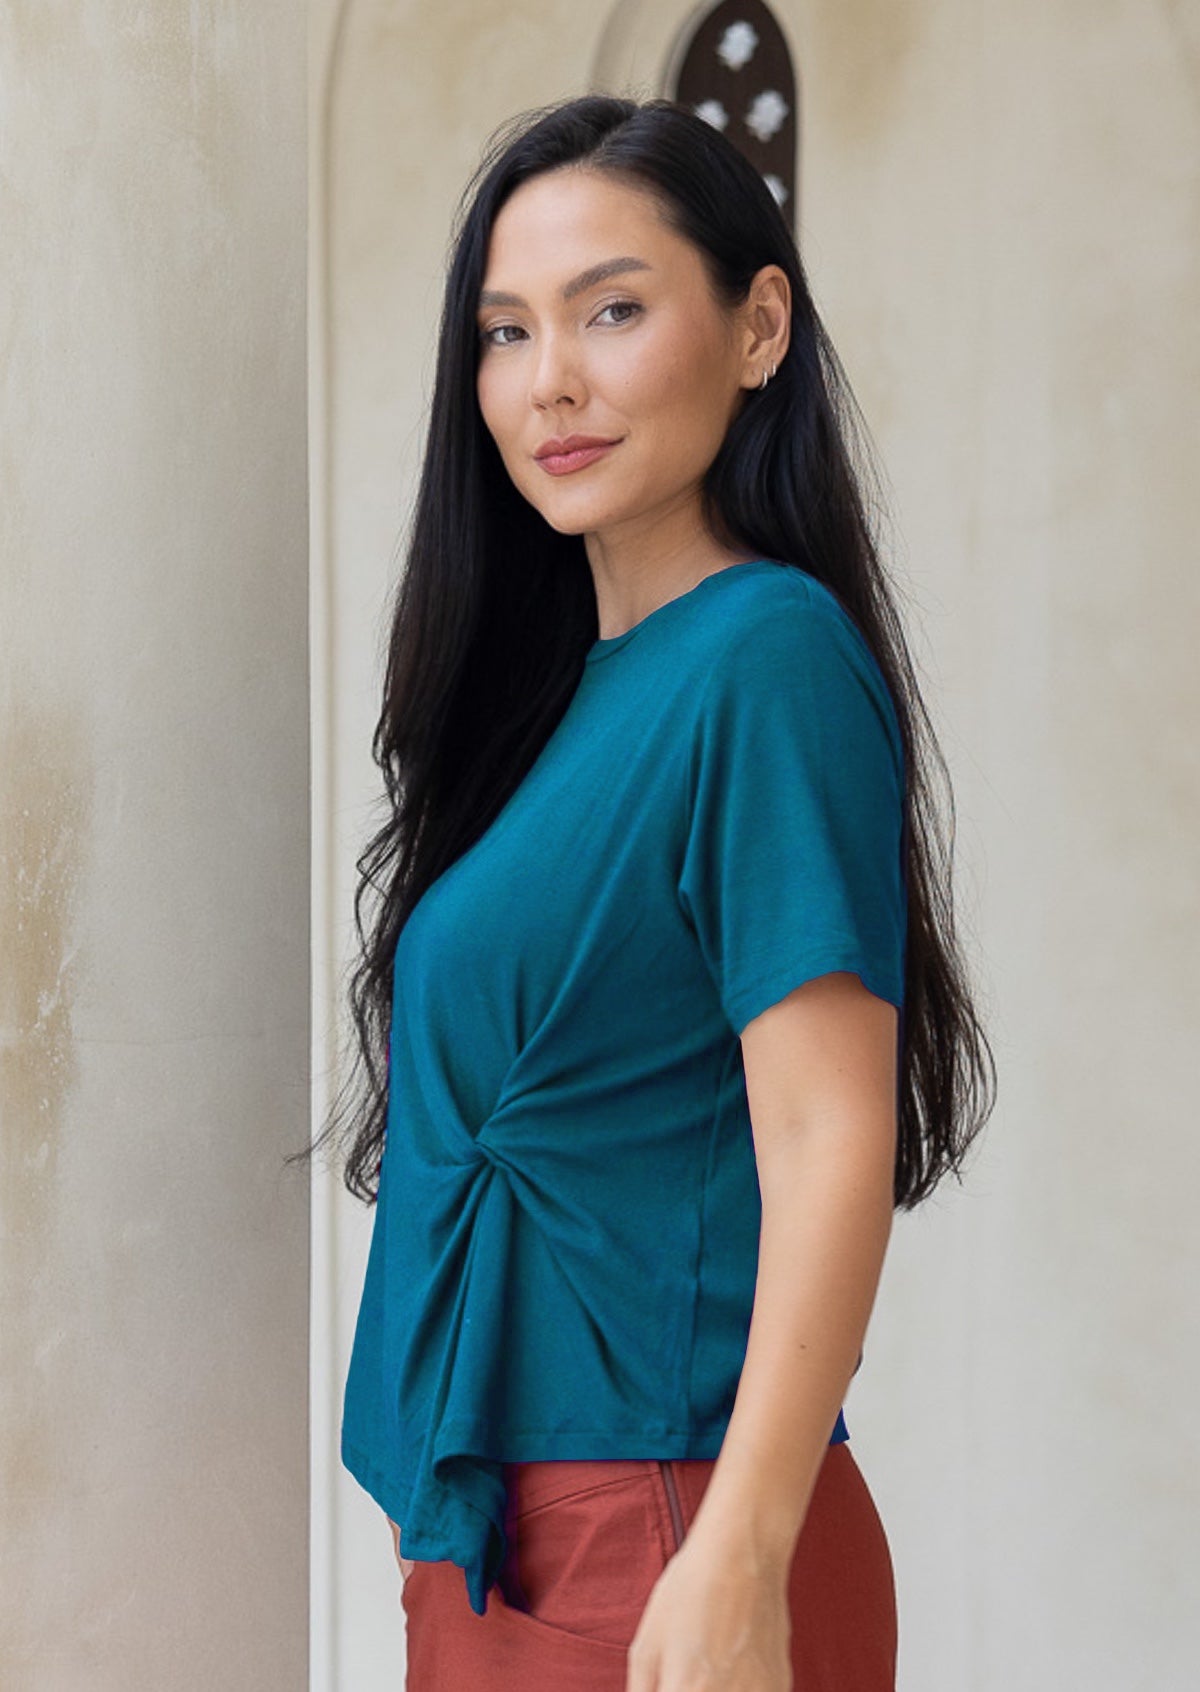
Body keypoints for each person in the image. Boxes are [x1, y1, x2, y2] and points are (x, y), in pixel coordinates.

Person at [301, 93, 995, 1691]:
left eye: (613, 309)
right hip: (502, 1536)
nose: (550, 378)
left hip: (668, 1526)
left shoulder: (766, 656)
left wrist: (743, 1551)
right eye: (504, 328)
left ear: (760, 327)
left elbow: (828, 1131)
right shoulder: (559, 703)